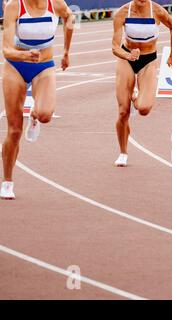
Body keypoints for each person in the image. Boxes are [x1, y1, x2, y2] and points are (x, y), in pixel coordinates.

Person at [1, 0, 74, 200]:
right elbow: (6, 50)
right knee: (14, 129)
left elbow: (70, 17)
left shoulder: (56, 4)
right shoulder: (14, 6)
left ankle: (34, 115)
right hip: (15, 67)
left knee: (45, 115)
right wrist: (23, 55)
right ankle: (7, 182)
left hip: (44, 66)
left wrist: (66, 51)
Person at [112, 0, 172, 167]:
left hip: (148, 59)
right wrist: (127, 56)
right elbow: (114, 47)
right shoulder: (122, 12)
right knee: (122, 111)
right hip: (126, 58)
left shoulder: (157, 10)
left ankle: (135, 97)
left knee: (144, 109)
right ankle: (123, 152)